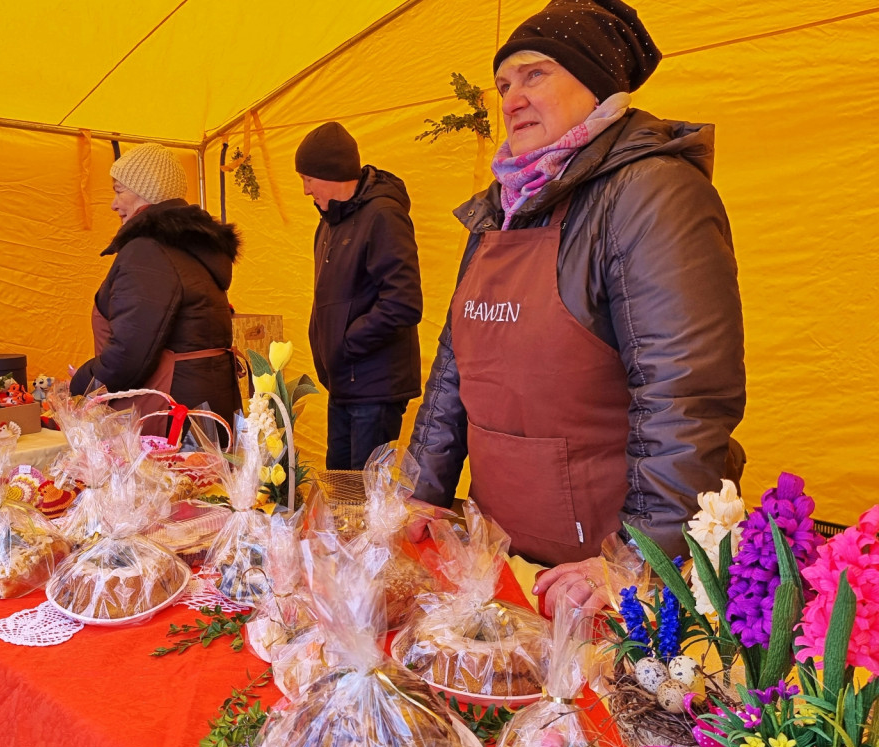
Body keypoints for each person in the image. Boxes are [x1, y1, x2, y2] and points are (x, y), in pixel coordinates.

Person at [407, 0, 746, 616]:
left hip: (600, 586)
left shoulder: (653, 194)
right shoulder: (501, 205)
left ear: (594, 85)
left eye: (535, 75)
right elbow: (456, 364)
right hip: (501, 564)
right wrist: (420, 490)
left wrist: (641, 558)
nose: (510, 98)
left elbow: (684, 393)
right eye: (504, 83)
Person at [70, 143, 242, 439]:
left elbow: (132, 351)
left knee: (176, 483)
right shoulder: (188, 247)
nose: (113, 204)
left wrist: (83, 382)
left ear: (146, 191)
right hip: (206, 401)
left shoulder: (148, 250)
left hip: (170, 411)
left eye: (119, 190)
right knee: (209, 484)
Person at [295, 122, 424, 470]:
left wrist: (346, 343)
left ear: (330, 174)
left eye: (308, 179)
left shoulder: (382, 215)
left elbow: (403, 301)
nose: (306, 190)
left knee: (365, 497)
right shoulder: (328, 223)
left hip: (375, 387)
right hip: (344, 382)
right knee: (340, 488)